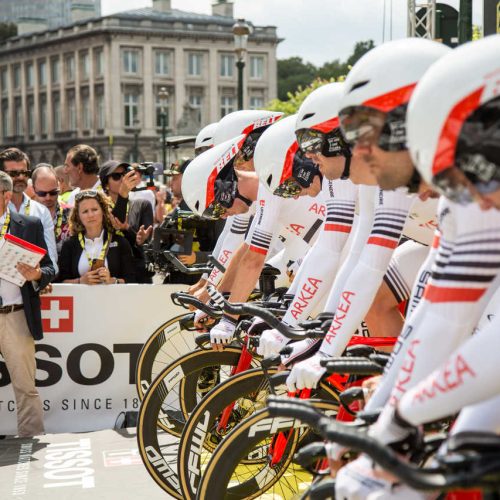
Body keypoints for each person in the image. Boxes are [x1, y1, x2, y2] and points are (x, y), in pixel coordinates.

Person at [334, 35, 500, 499]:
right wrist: (389, 420)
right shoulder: (474, 200)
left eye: (455, 172)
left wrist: (403, 415)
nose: (441, 194)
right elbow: (439, 313)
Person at [0, 171, 56, 437]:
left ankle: (31, 441)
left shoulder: (29, 225)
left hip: (16, 316)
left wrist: (36, 276)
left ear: (6, 196)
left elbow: (49, 268)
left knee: (25, 386)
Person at [57, 190, 136, 284]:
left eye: (94, 209)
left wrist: (112, 280)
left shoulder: (120, 242)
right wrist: (80, 281)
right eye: (85, 211)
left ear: (103, 211)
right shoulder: (69, 244)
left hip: (114, 298)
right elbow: (61, 281)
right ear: (78, 216)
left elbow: (132, 279)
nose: (90, 215)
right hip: (81, 298)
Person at [0, 148, 58, 272]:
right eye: (14, 174)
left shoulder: (41, 211)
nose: (20, 177)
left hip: (30, 285)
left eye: (25, 173)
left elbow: (51, 256)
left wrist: (43, 278)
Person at [99, 160, 153, 283]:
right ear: (106, 184)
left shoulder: (142, 205)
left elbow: (148, 246)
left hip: (138, 275)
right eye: (117, 176)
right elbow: (113, 224)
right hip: (109, 274)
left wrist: (134, 234)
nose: (123, 179)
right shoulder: (98, 209)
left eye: (125, 174)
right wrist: (123, 194)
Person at [32, 165, 71, 256]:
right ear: (34, 189)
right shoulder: (26, 215)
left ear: (59, 185)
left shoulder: (72, 213)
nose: (48, 197)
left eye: (53, 192)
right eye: (42, 193)